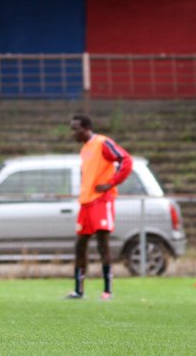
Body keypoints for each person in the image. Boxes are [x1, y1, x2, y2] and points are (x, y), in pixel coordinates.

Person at [67, 114, 132, 301]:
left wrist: (111, 183)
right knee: (80, 246)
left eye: (75, 129)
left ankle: (107, 291)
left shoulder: (103, 142)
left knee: (103, 245)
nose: (73, 133)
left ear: (86, 128)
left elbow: (125, 160)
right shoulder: (85, 149)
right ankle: (79, 290)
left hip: (102, 201)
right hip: (86, 202)